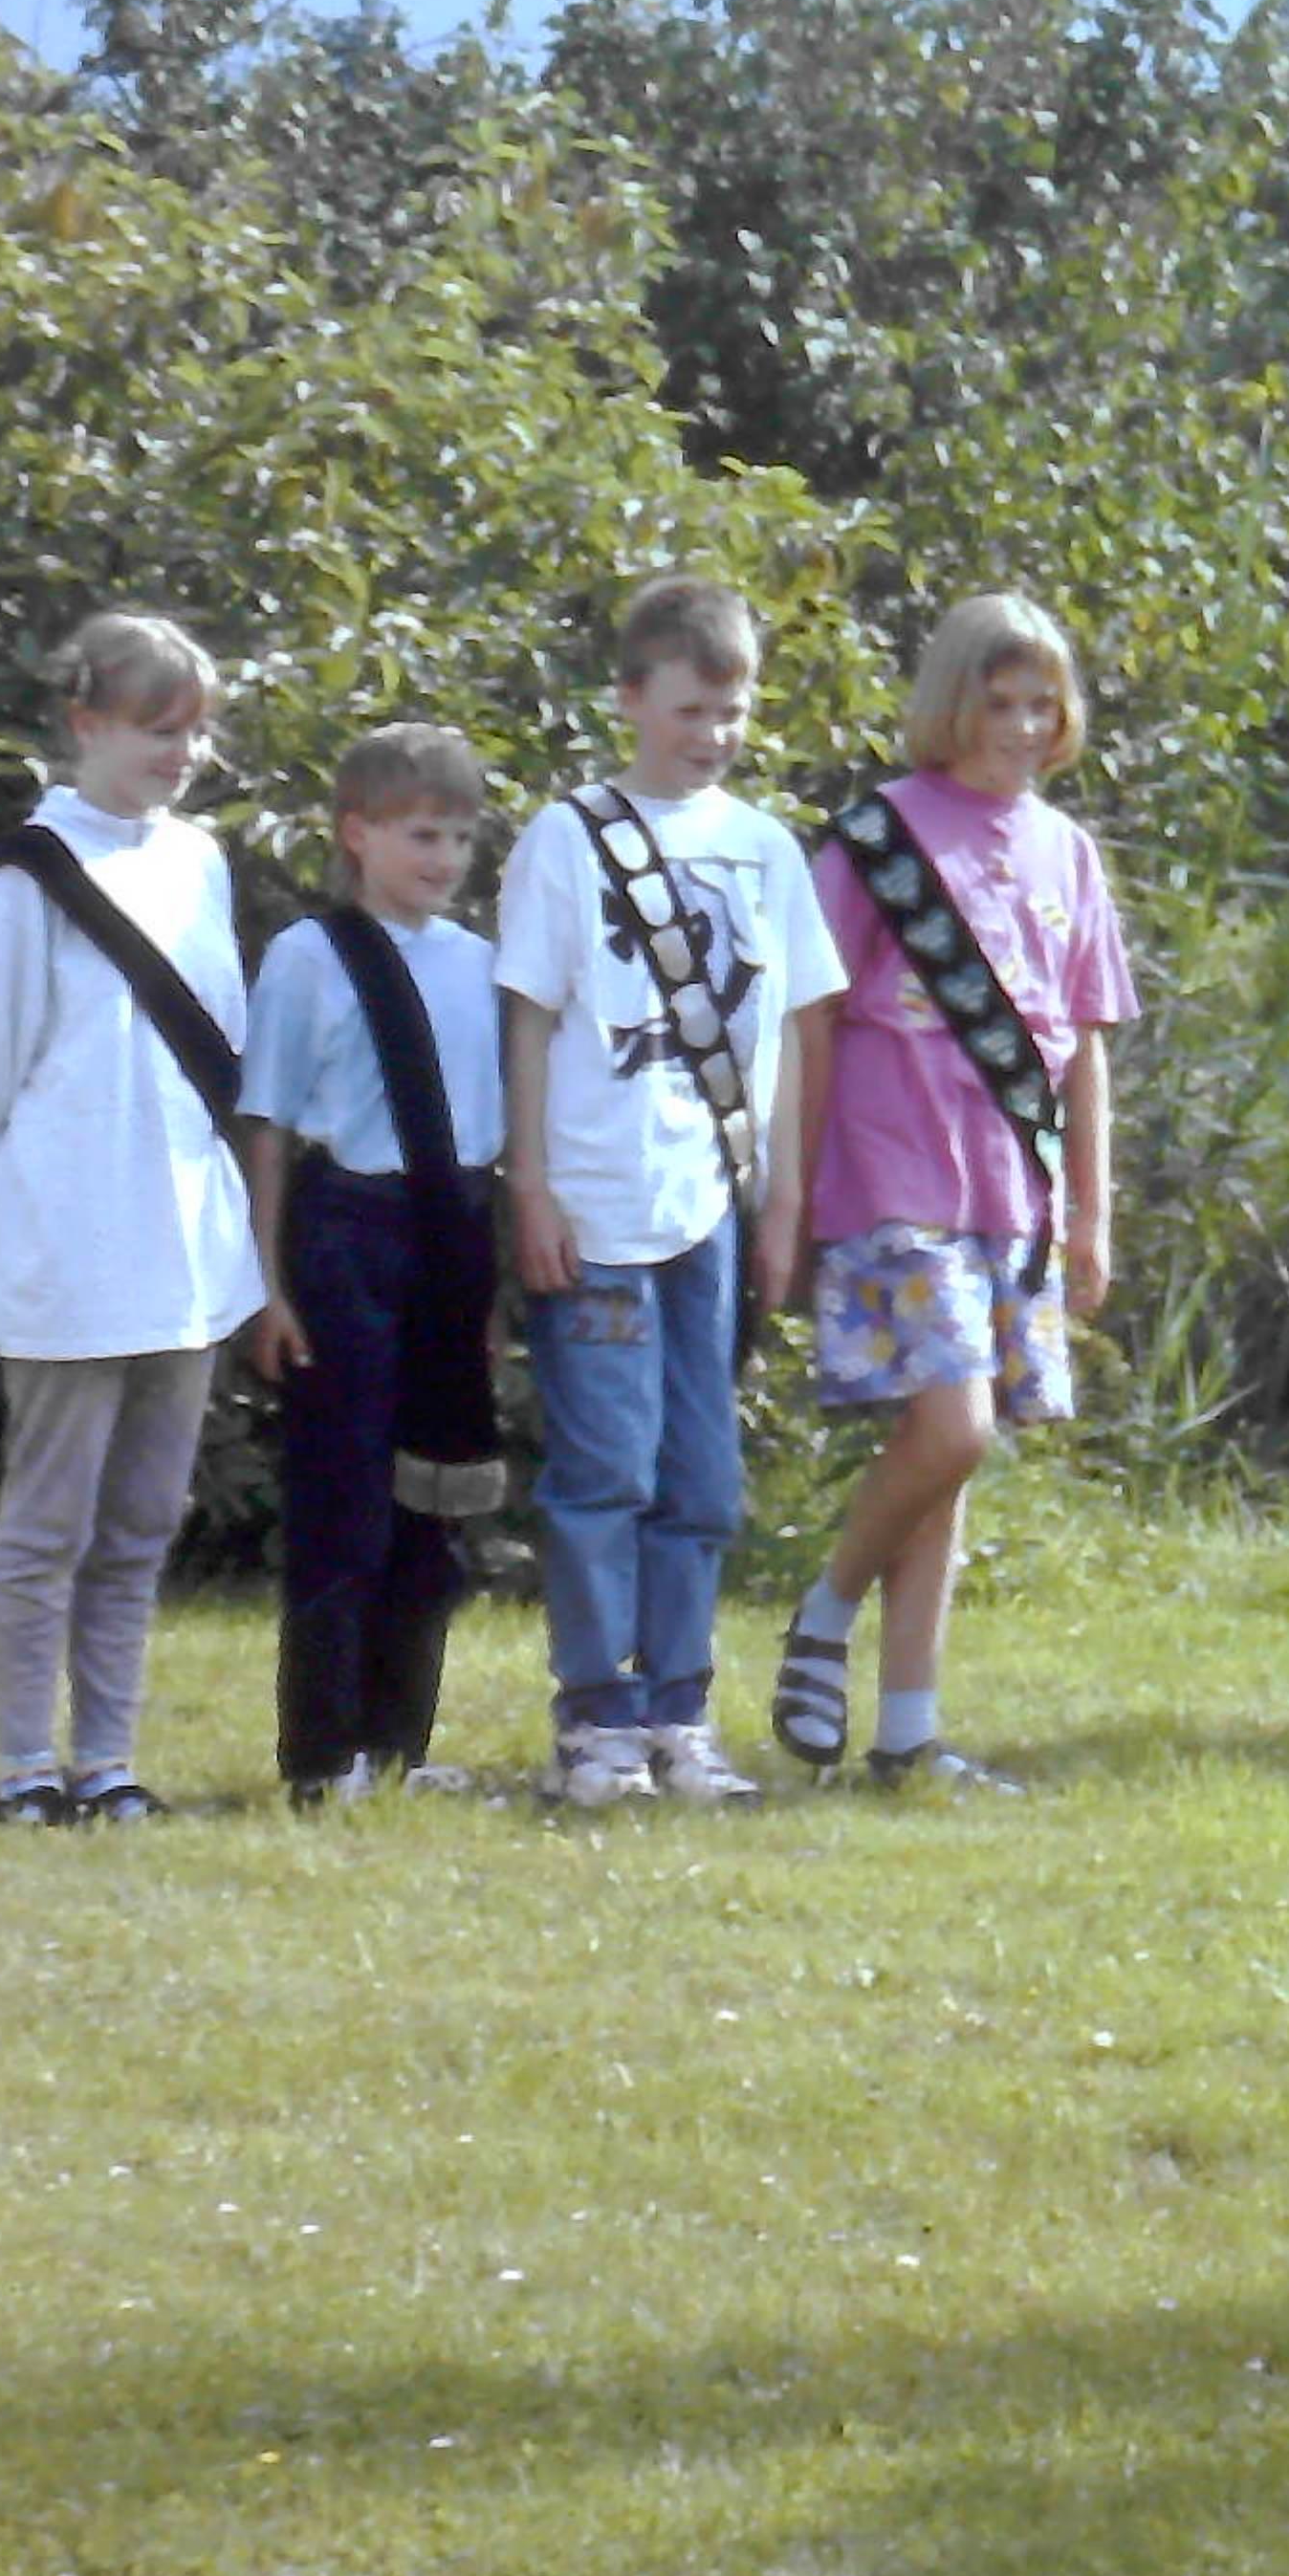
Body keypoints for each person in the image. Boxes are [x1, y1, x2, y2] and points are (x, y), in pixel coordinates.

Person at [765, 595, 1136, 1795]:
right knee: (953, 1427)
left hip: (1011, 1195)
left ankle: (908, 1737)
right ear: (952, 703)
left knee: (949, 1459)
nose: (1023, 726)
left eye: (1043, 705)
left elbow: (1084, 1049)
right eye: (1000, 702)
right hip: (892, 1174)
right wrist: (795, 1194)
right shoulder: (876, 841)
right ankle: (826, 1612)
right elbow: (810, 1026)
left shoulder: (1067, 851)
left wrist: (1091, 1211)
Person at [496, 572, 844, 1810]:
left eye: (733, 711)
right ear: (632, 699)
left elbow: (800, 1029)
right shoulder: (566, 837)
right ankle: (597, 1723)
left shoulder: (766, 849)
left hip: (713, 1209)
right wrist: (531, 1187)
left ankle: (680, 1716)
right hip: (593, 1204)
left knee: (702, 1478)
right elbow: (528, 1019)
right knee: (604, 1471)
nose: (713, 735)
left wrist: (785, 1204)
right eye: (692, 709)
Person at [0, 610, 262, 1826]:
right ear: (85, 723)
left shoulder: (200, 862)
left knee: (141, 1526)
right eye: (159, 729)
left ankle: (107, 1759)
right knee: (45, 1526)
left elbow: (223, 1055)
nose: (183, 754)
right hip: (66, 1254)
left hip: (183, 1256)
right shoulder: (25, 885)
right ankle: (25, 1765)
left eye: (197, 732)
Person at [237, 722, 508, 1804]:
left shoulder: (480, 964)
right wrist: (271, 1284)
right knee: (342, 1497)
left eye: (459, 837)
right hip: (346, 1233)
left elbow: (489, 1130)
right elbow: (268, 1126)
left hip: (452, 1234)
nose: (444, 858)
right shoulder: (312, 956)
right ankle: (321, 1754)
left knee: (432, 1502)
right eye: (420, 835)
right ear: (357, 833)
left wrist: (487, 1289)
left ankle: (402, 1744)